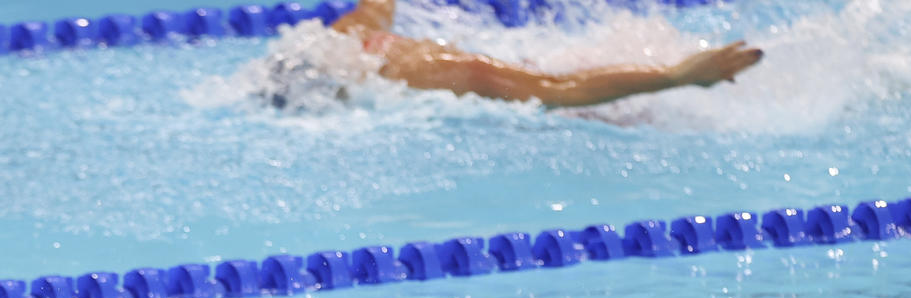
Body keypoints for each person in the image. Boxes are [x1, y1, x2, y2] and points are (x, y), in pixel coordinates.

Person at [258, 0, 763, 109]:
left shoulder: (355, 38)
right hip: (576, 103)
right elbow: (557, 90)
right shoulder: (374, 45)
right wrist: (677, 76)